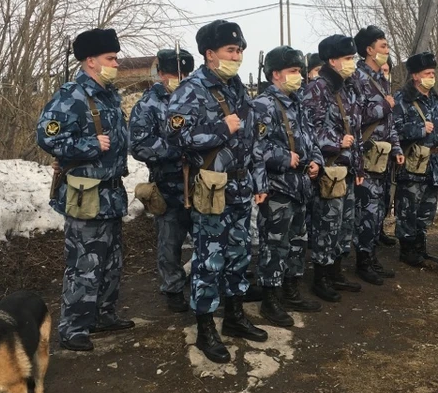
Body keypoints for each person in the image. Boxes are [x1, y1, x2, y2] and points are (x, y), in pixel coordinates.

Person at [166, 19, 268, 364]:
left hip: (240, 185)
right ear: (210, 54)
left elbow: (252, 140)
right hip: (211, 186)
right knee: (209, 258)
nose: (236, 56)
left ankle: (236, 315)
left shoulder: (238, 87)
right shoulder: (190, 90)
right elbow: (177, 138)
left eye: (239, 50)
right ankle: (206, 326)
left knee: (239, 253)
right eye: (230, 50)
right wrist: (219, 128)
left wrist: (259, 181)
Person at [37, 28, 133, 353]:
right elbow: (47, 137)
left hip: (110, 193)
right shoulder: (72, 96)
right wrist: (88, 145)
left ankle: (103, 315)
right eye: (111, 58)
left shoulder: (108, 95)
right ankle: (73, 326)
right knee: (84, 263)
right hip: (86, 194)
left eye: (116, 58)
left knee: (111, 261)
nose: (116, 64)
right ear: (90, 60)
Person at [253, 46, 324, 324]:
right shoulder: (263, 105)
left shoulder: (298, 104)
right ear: (275, 74)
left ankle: (291, 290)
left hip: (301, 187)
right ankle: (270, 298)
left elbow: (311, 139)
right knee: (275, 245)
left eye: (300, 71)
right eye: (293, 71)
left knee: (296, 242)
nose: (299, 76)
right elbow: (255, 147)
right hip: (278, 189)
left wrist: (316, 161)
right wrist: (284, 157)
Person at [130, 48, 195, 313]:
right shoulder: (148, 104)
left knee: (206, 237)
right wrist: (175, 150)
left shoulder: (194, 99)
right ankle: (173, 288)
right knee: (169, 243)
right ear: (161, 74)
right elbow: (139, 144)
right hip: (168, 186)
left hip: (199, 184)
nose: (180, 78)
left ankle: (206, 281)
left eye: (185, 73)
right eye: (173, 73)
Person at [302, 34, 365, 301]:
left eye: (353, 58)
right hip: (329, 168)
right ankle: (321, 277)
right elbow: (309, 128)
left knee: (344, 225)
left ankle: (336, 272)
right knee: (326, 226)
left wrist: (358, 166)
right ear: (332, 60)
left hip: (347, 168)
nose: (352, 63)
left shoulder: (347, 87)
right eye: (347, 59)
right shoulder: (317, 88)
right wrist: (335, 142)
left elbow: (356, 128)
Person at [351, 26, 404, 285]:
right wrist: (385, 105)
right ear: (369, 50)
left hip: (382, 157)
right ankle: (363, 260)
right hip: (365, 154)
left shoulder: (382, 79)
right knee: (367, 210)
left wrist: (396, 147)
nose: (387, 50)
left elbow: (389, 121)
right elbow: (355, 117)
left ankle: (371, 256)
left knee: (379, 208)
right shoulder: (357, 77)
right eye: (383, 46)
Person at [393, 51, 438, 266]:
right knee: (408, 208)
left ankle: (420, 248)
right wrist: (418, 129)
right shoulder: (403, 99)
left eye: (433, 73)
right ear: (415, 76)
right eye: (427, 73)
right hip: (412, 165)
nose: (431, 76)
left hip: (435, 163)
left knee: (426, 210)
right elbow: (393, 130)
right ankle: (407, 250)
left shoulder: (435, 99)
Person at [378, 56, 397, 247]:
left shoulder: (391, 94)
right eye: (381, 71)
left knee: (385, 197)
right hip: (372, 155)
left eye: (387, 71)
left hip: (387, 156)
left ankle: (379, 230)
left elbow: (392, 127)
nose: (384, 75)